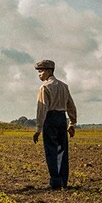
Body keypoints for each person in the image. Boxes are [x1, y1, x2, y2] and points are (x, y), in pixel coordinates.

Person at [32, 59, 77, 190]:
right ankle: (63, 181)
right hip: (62, 118)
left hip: (50, 119)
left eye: (41, 71)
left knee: (51, 150)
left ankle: (55, 182)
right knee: (62, 150)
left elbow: (42, 109)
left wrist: (38, 128)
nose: (39, 74)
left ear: (49, 71)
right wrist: (72, 123)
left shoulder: (44, 87)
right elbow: (71, 106)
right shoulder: (64, 86)